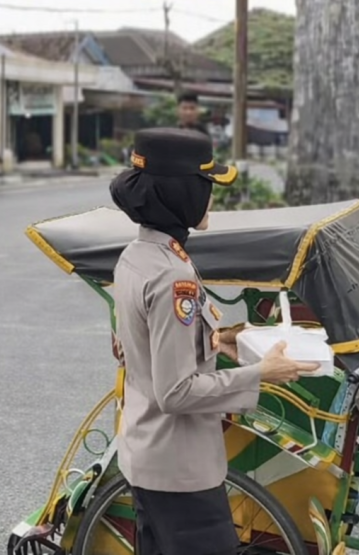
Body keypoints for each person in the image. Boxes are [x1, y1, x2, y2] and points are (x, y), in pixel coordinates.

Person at [109, 127, 319, 555]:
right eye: (205, 185)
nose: (212, 197)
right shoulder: (173, 276)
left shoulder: (138, 256)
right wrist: (262, 373)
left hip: (148, 458)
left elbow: (135, 344)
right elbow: (175, 392)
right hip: (180, 470)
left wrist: (216, 340)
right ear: (181, 192)